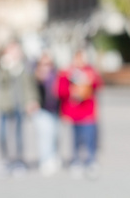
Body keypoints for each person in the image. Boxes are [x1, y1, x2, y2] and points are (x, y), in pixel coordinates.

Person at [56, 49, 102, 179]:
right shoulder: (68, 73)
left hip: (88, 112)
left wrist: (91, 78)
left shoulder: (90, 71)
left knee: (90, 138)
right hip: (75, 113)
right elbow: (60, 91)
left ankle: (91, 160)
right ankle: (76, 160)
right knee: (76, 139)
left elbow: (98, 86)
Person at [0, 40, 36, 177]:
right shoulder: (3, 66)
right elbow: (0, 81)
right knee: (2, 134)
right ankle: (6, 160)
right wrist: (7, 66)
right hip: (4, 105)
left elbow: (29, 85)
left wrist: (31, 101)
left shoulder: (24, 67)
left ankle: (19, 160)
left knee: (19, 134)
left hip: (19, 104)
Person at [27, 52, 60, 177]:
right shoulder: (35, 76)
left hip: (55, 110)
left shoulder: (56, 75)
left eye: (48, 64)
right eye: (43, 64)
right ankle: (45, 160)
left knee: (55, 134)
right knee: (44, 136)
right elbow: (30, 91)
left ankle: (53, 156)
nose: (46, 66)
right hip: (41, 110)